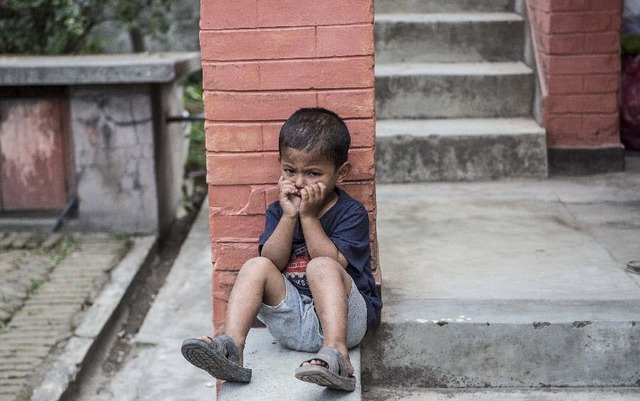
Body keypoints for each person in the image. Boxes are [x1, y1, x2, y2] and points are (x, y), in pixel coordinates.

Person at [181, 107, 382, 392]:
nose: (299, 182)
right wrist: (290, 217)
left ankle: (338, 357)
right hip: (294, 319)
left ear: (341, 173)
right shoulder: (280, 210)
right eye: (290, 170)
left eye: (313, 173)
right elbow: (272, 260)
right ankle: (232, 347)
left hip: (343, 321)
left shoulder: (351, 213)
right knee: (256, 265)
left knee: (320, 265)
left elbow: (332, 260)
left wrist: (309, 217)